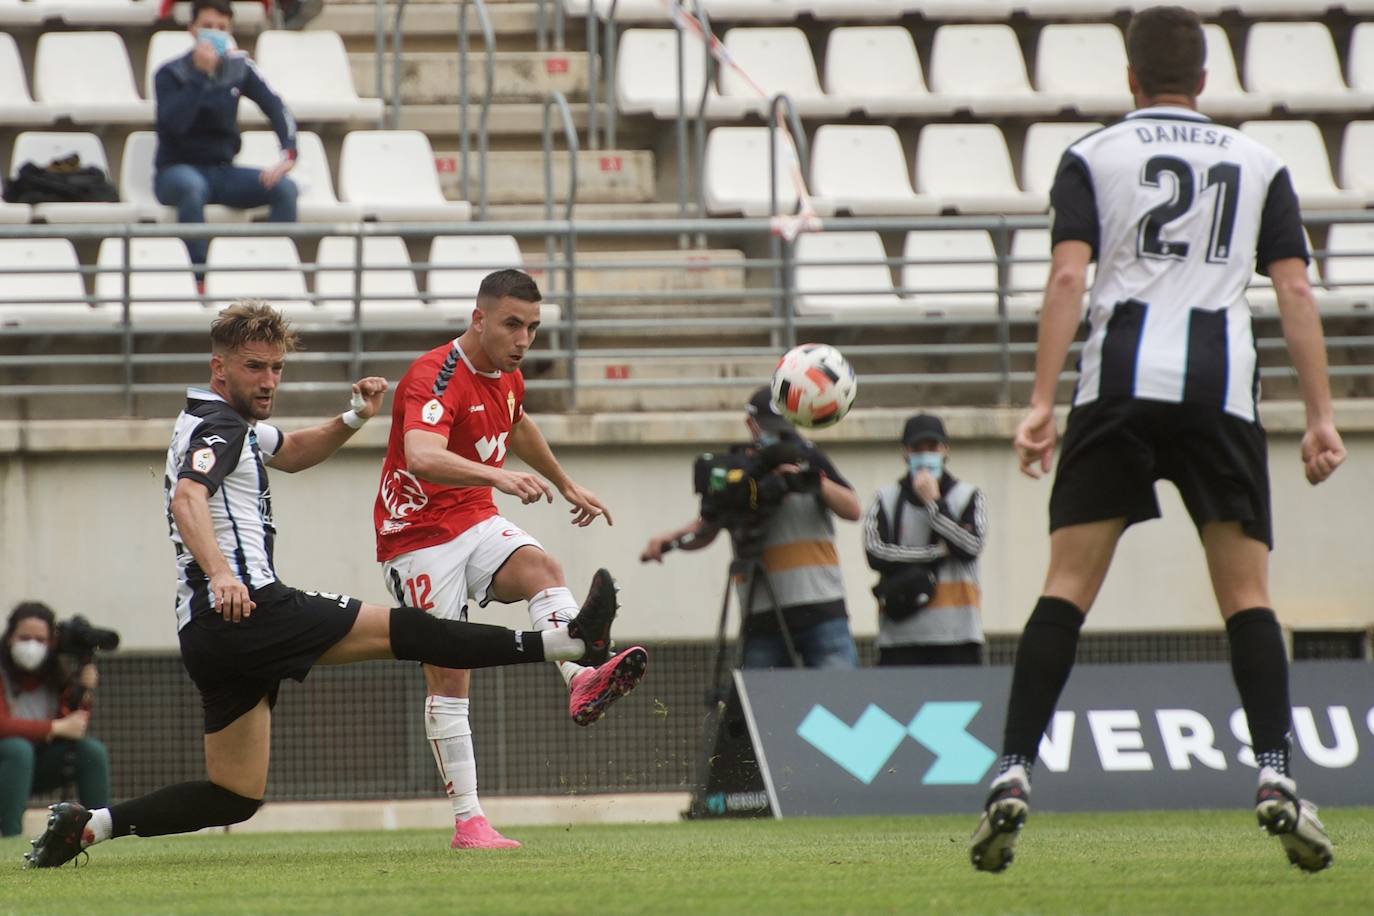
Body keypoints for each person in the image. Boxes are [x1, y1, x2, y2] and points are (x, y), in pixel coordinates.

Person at [23, 300, 622, 869]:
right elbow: (188, 497)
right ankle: (568, 646)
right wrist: (225, 573)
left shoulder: (224, 423)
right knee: (415, 632)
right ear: (219, 367)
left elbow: (293, 451)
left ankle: (89, 825)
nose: (268, 380)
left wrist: (355, 417)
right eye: (254, 367)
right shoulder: (217, 428)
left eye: (277, 367)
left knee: (233, 794)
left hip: (207, 633)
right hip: (250, 607)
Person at [968, 6, 1346, 875]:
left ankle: (1015, 767)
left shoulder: (1092, 155)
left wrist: (1038, 401)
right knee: (1247, 598)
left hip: (1118, 386)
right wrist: (1320, 416)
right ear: (1205, 81)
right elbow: (1295, 292)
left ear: (1129, 79)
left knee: (1066, 587)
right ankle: (1276, 772)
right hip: (1222, 396)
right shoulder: (1260, 164)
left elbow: (1069, 274)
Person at [374, 269, 648, 850]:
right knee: (451, 673)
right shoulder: (434, 374)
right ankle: (469, 821)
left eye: (533, 327)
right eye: (512, 325)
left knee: (543, 569)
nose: (524, 339)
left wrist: (565, 482)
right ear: (479, 319)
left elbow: (516, 425)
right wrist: (500, 476)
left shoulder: (507, 375)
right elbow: (421, 455)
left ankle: (581, 678)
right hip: (415, 535)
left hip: (472, 516)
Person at [641, 387, 862, 669]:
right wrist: (673, 538)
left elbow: (852, 509)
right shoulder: (741, 473)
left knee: (839, 702)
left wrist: (813, 481)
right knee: (763, 705)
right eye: (769, 428)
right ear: (751, 424)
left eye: (782, 428)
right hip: (762, 617)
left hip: (822, 610)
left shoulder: (808, 457)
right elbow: (708, 527)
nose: (776, 436)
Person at [153, 0, 298, 284]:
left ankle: (273, 272)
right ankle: (199, 279)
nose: (215, 34)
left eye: (222, 28)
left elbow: (276, 106)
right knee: (191, 188)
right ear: (192, 30)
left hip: (222, 171)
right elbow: (175, 125)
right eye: (207, 27)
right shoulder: (169, 73)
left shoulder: (239, 68)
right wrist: (199, 75)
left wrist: (289, 154)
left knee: (285, 189)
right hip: (176, 171)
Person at [864, 414, 988, 666]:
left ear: (945, 450)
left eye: (932, 448)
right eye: (917, 449)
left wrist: (934, 504)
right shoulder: (885, 498)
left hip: (958, 637)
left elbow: (971, 546)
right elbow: (875, 552)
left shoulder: (969, 495)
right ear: (905, 453)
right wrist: (934, 553)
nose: (925, 456)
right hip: (899, 639)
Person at [0, 603, 110, 838]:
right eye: (25, 637)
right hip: (8, 764)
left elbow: (74, 725)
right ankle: (10, 836)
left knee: (91, 751)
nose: (32, 645)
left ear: (51, 642)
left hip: (36, 766)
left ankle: (102, 829)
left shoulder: (56, 673)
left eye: (40, 639)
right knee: (18, 750)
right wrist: (55, 727)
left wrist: (85, 691)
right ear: (10, 638)